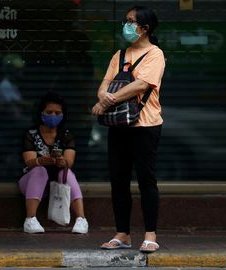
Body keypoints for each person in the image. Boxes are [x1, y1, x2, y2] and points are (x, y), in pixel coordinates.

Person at [91, 6, 166, 253]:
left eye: (132, 22)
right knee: (118, 179)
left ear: (145, 28)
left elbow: (141, 85)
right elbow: (105, 83)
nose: (127, 25)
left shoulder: (155, 54)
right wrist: (103, 95)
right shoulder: (119, 55)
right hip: (120, 125)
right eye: (127, 20)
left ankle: (150, 235)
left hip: (145, 125)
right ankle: (122, 234)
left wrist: (106, 101)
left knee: (146, 180)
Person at [18, 91, 89, 234]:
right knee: (39, 170)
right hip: (33, 184)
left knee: (66, 172)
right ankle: (30, 219)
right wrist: (40, 161)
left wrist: (62, 162)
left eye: (57, 113)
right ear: (41, 113)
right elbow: (29, 161)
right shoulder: (31, 134)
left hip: (58, 185)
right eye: (49, 112)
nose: (53, 116)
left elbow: (70, 161)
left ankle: (81, 219)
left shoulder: (66, 135)